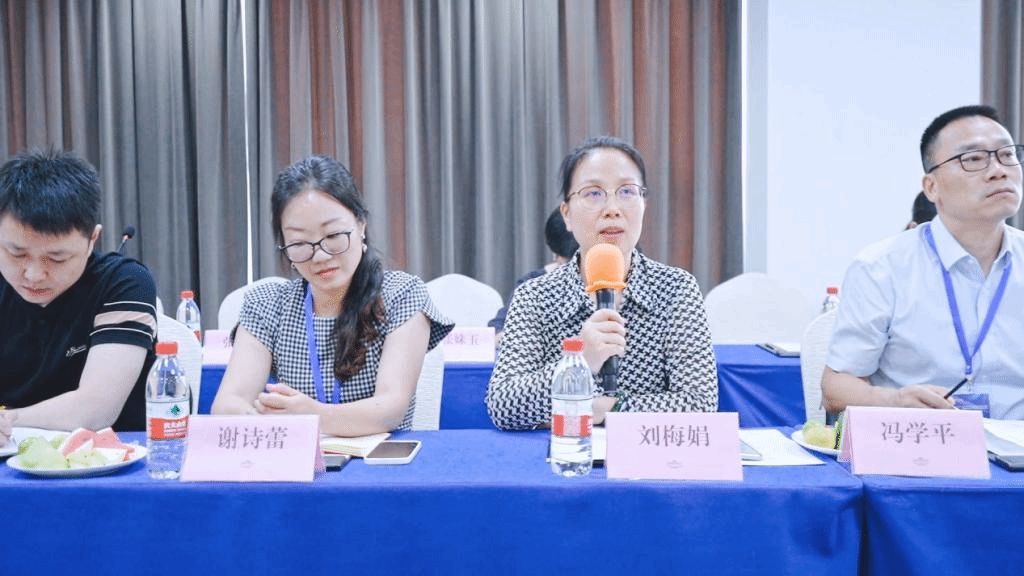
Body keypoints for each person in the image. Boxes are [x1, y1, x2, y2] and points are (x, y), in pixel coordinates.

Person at [486, 136, 718, 431]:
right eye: (594, 193)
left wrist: (608, 408)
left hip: (646, 456)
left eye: (627, 191)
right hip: (562, 454)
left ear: (643, 205)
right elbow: (503, 406)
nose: (612, 208)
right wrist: (578, 363)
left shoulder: (676, 289)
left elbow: (700, 404)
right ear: (567, 215)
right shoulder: (535, 295)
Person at [211, 155, 453, 435]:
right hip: (298, 459)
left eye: (333, 236)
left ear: (361, 225)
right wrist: (259, 419)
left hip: (379, 458)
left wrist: (311, 416)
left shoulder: (401, 294)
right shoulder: (266, 305)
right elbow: (228, 404)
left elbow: (390, 408)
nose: (320, 256)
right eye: (300, 243)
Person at [823, 105, 1024, 419]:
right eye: (973, 159)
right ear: (931, 187)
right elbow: (836, 388)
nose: (999, 170)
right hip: (922, 439)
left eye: (1007, 154)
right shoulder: (881, 268)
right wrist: (895, 400)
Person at [0, 149, 157, 447]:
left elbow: (96, 410)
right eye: (16, 253)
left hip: (106, 459)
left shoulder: (123, 282)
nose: (33, 275)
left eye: (56, 258)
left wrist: (7, 420)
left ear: (92, 239)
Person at [487, 207, 579, 339]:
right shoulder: (531, 284)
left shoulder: (603, 285)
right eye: (567, 263)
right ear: (555, 253)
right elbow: (498, 327)